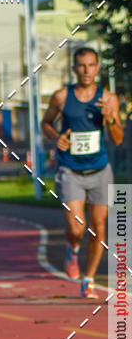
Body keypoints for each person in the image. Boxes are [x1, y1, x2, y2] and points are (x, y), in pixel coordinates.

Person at [41, 47, 123, 298]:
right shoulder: (62, 97)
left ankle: (88, 279)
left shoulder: (109, 99)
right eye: (81, 65)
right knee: (77, 227)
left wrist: (110, 118)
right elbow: (46, 123)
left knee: (99, 226)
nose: (86, 70)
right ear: (74, 68)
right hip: (70, 170)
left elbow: (117, 139)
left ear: (98, 67)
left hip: (100, 169)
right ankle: (72, 249)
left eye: (91, 65)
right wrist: (56, 138)